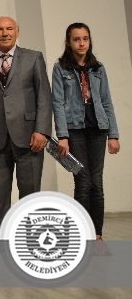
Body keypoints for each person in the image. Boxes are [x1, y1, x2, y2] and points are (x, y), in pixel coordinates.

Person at [0, 16, 52, 245]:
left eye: (9, 28)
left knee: (30, 194)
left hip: (29, 137)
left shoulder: (34, 57)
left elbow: (44, 97)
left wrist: (42, 131)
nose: (5, 33)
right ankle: (0, 241)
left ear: (17, 32)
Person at [52, 23, 120, 245]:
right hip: (75, 131)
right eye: (76, 39)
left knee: (96, 183)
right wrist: (62, 135)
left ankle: (96, 234)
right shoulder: (60, 68)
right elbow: (57, 103)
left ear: (90, 41)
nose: (81, 43)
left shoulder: (98, 68)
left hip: (98, 130)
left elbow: (107, 102)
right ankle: (82, 232)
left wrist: (113, 134)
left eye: (85, 38)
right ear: (68, 42)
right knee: (83, 182)